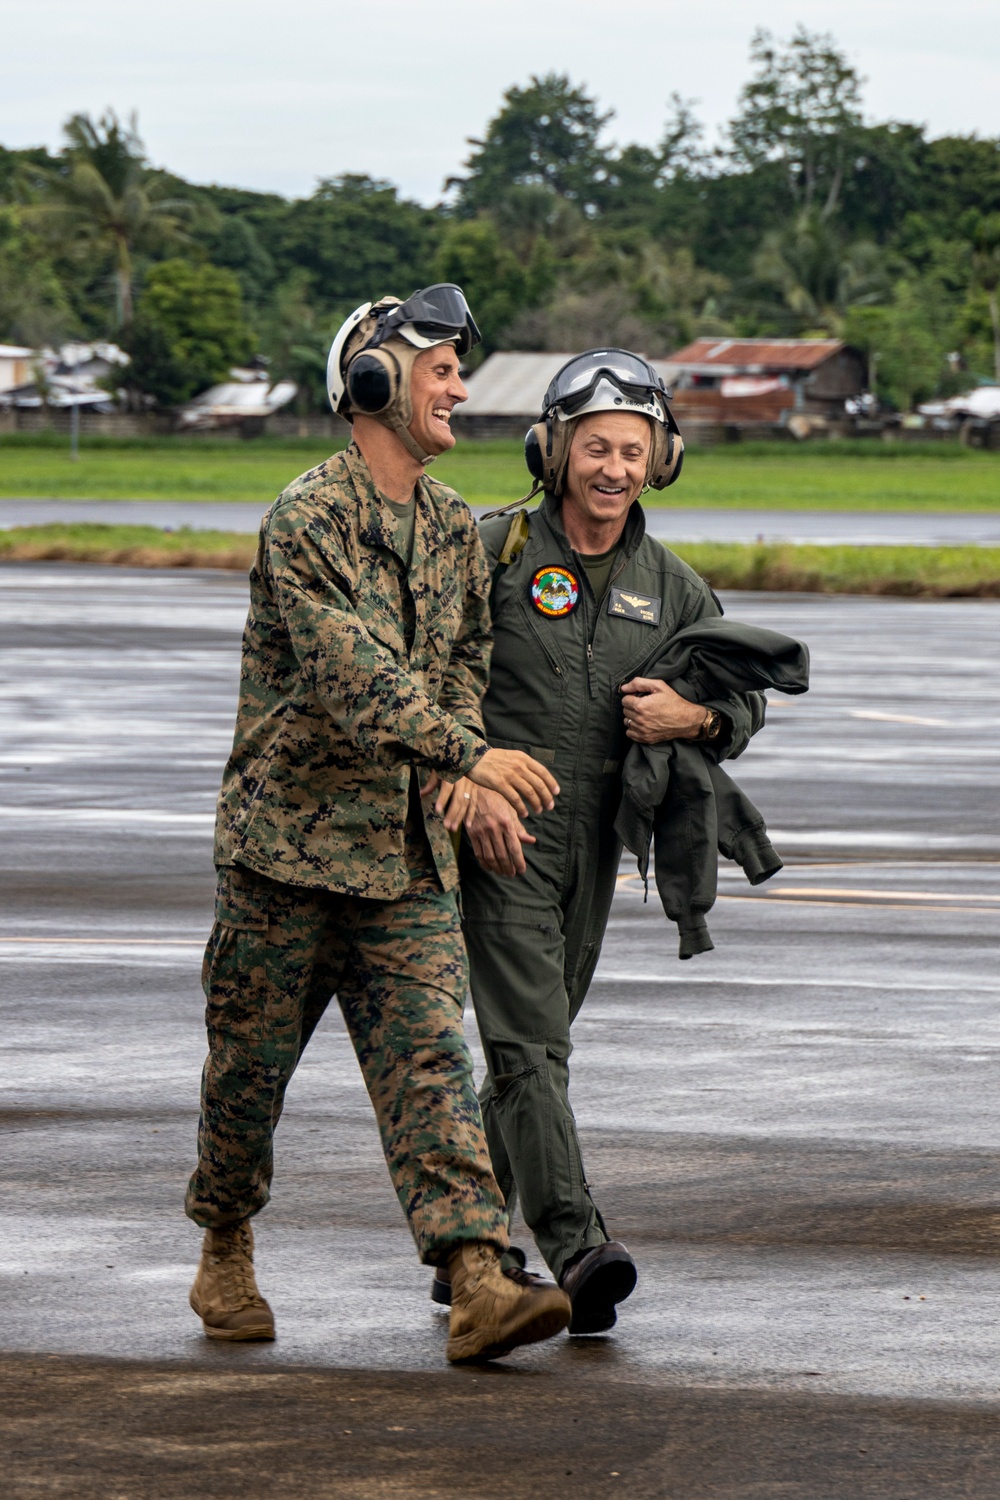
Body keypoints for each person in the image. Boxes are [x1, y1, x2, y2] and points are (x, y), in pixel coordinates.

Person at [185, 284, 571, 1364]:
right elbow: (351, 674)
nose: (458, 384)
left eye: (456, 367)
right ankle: (223, 1240)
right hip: (286, 857)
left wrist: (454, 771)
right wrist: (466, 755)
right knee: (244, 1080)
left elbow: (457, 668)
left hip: (403, 861)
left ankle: (478, 1276)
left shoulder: (454, 529)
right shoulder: (306, 517)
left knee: (432, 1069)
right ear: (371, 384)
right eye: (438, 366)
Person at [433, 350, 769, 1334]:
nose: (613, 467)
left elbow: (741, 697)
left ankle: (470, 1252)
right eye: (594, 447)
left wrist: (692, 721)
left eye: (632, 449)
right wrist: (463, 772)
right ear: (552, 451)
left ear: (659, 459)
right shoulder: (488, 552)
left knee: (534, 1054)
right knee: (530, 1048)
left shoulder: (674, 591)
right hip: (499, 840)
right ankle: (578, 1246)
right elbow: (424, 676)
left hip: (598, 847)